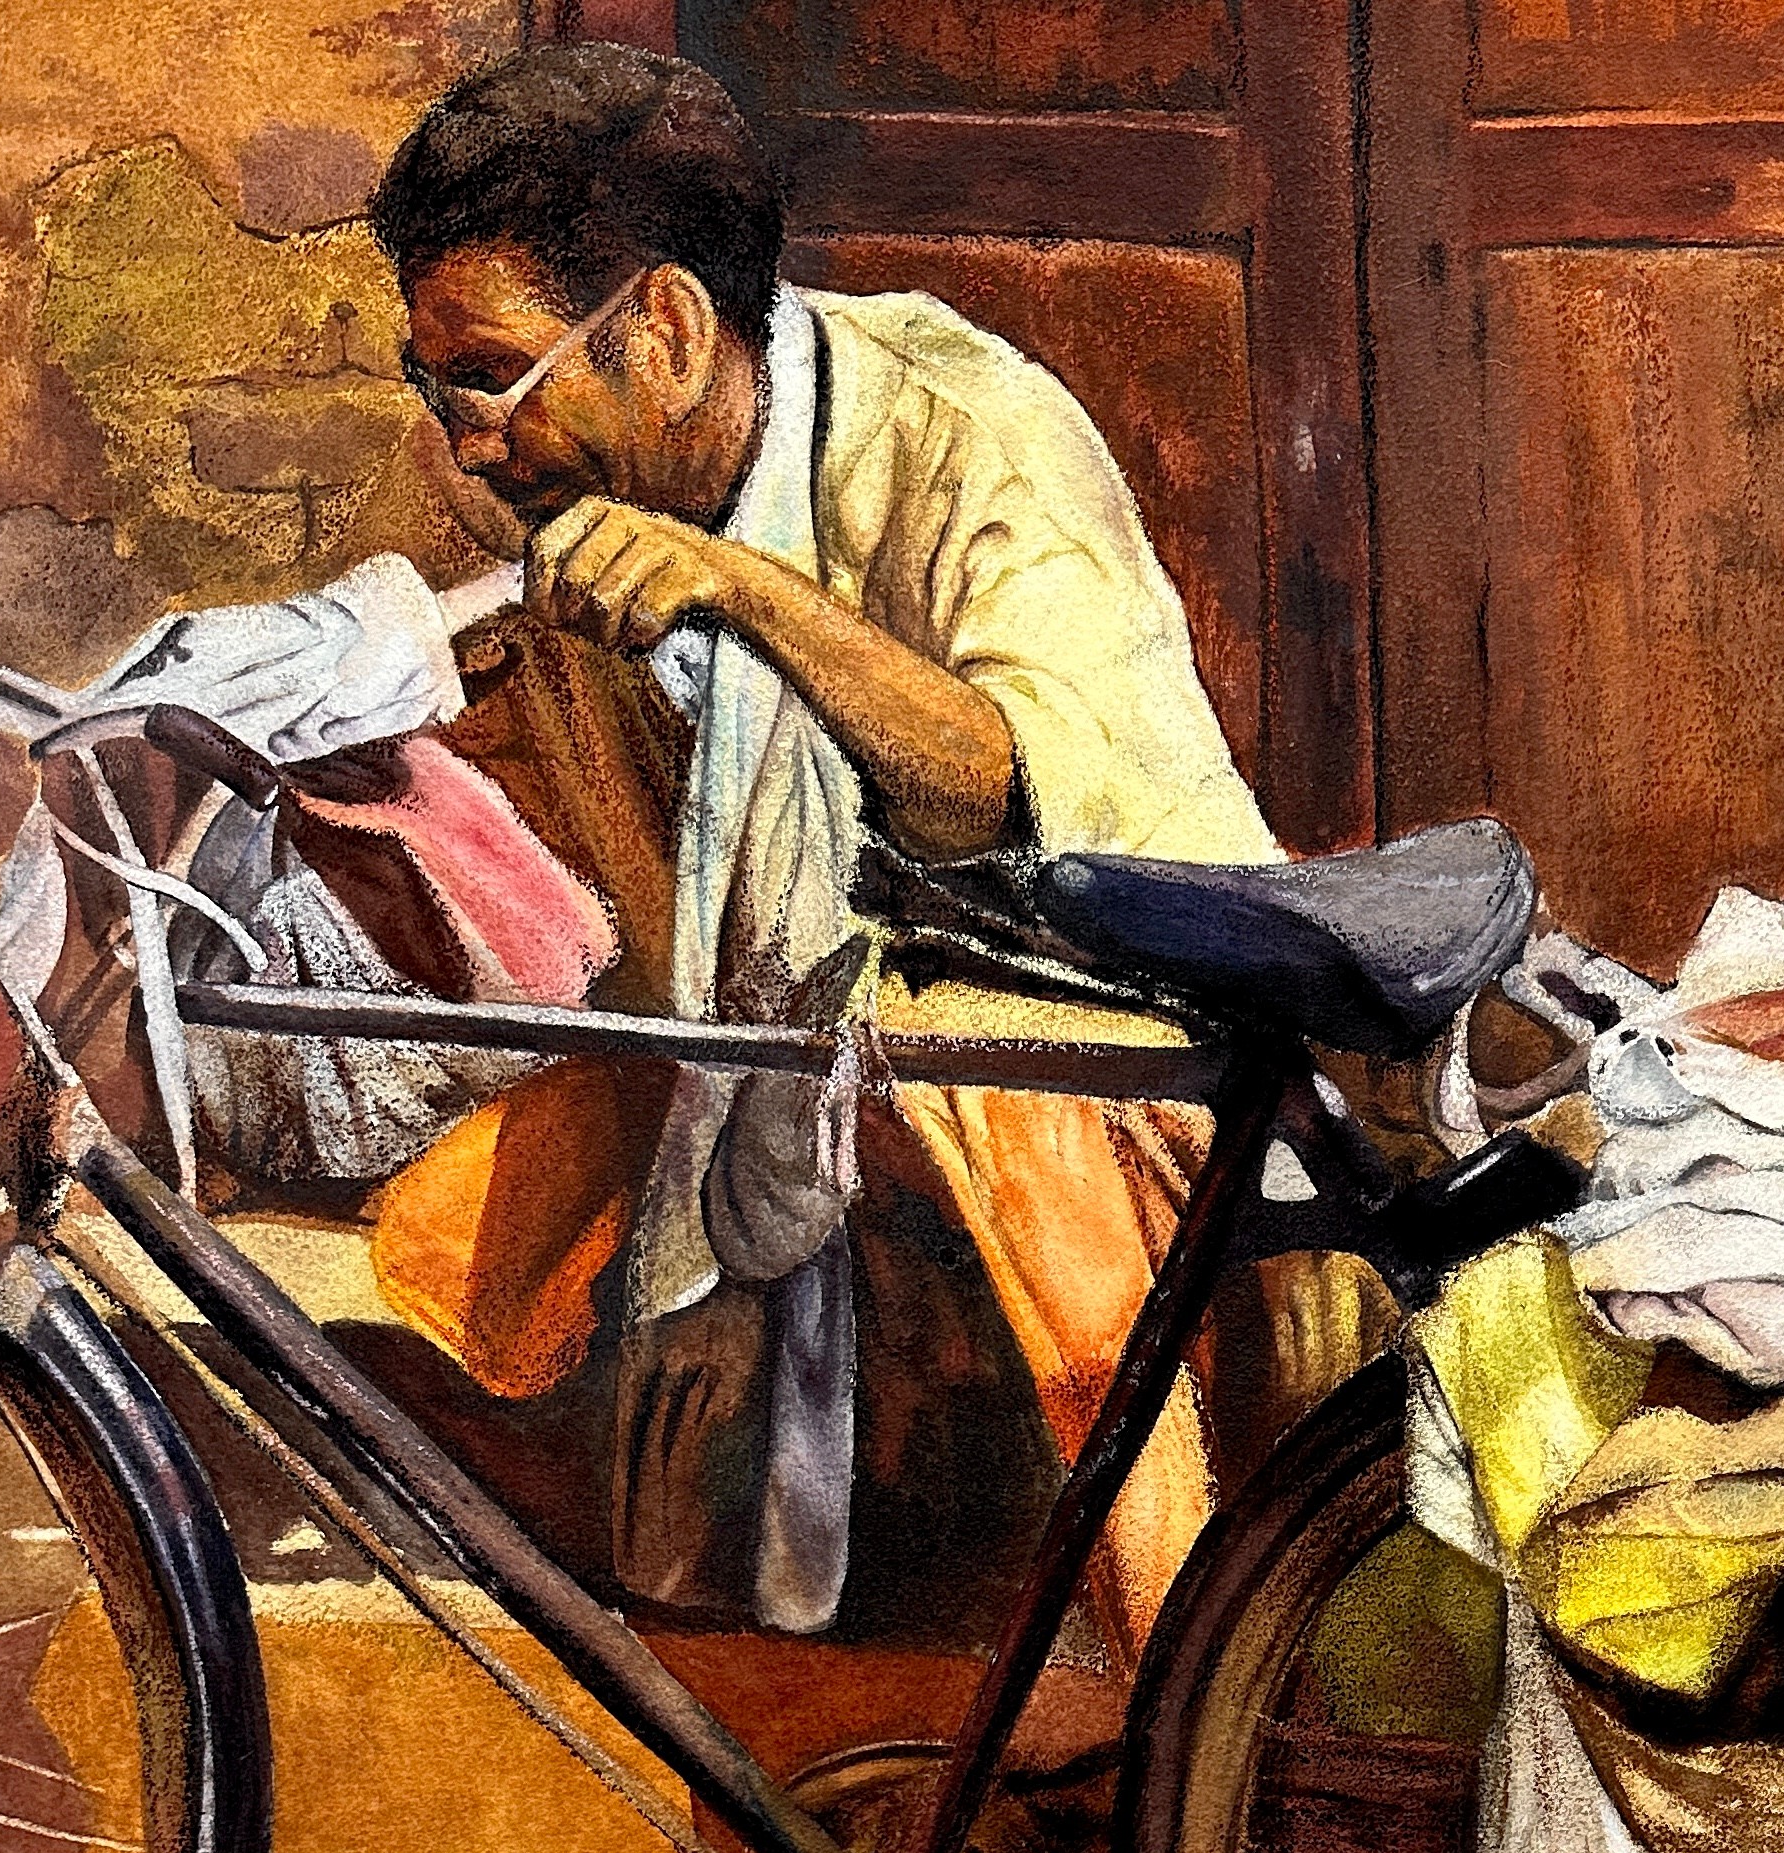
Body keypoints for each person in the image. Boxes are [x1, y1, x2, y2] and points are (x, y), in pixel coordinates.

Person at [369, 42, 1298, 1650]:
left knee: (989, 1114)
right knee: (467, 1232)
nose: (464, 440)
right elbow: (666, 915)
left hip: (1127, 1036)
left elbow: (1002, 795)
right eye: (431, 380)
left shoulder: (963, 424)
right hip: (788, 1046)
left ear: (667, 331)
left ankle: (1186, 1675)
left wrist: (749, 595)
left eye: (489, 377)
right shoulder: (572, 515)